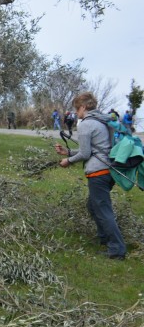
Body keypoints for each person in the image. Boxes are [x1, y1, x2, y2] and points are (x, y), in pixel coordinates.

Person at [54, 92, 127, 260]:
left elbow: (85, 154)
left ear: (84, 107)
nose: (76, 112)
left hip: (98, 173)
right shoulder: (101, 120)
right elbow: (93, 150)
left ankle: (117, 249)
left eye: (77, 108)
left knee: (102, 210)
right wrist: (67, 152)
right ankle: (105, 240)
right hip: (108, 170)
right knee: (93, 207)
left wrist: (68, 160)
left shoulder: (86, 124)